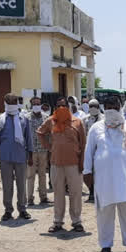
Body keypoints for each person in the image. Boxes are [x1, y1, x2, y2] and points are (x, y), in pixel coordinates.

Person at [83, 96, 126, 252]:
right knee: (104, 213)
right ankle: (105, 245)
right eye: (108, 106)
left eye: (114, 106)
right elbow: (88, 152)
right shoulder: (96, 128)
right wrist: (87, 172)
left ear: (119, 107)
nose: (111, 109)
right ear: (104, 108)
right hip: (104, 180)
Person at [37, 97, 86, 233]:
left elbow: (83, 144)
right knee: (58, 193)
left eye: (64, 105)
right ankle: (58, 221)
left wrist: (82, 162)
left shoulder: (77, 122)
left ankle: (76, 221)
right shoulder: (51, 121)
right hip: (56, 164)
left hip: (74, 164)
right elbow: (40, 133)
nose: (61, 107)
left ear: (69, 106)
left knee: (75, 193)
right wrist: (49, 147)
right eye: (58, 105)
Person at [0, 94, 32, 221]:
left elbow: (28, 137)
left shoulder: (23, 118)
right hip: (5, 156)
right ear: (5, 103)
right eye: (9, 102)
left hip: (21, 156)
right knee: (7, 185)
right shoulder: (1, 119)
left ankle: (22, 209)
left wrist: (30, 154)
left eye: (14, 102)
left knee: (22, 184)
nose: (12, 104)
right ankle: (8, 210)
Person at [25, 96, 50, 206]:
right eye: (34, 104)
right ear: (31, 105)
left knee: (43, 174)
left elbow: (49, 134)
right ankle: (30, 198)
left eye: (38, 104)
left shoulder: (46, 117)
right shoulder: (26, 118)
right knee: (30, 175)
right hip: (31, 151)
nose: (36, 106)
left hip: (43, 150)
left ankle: (43, 197)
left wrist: (49, 150)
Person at [82, 99, 104, 202]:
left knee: (99, 171)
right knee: (88, 170)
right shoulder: (85, 119)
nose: (93, 108)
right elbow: (83, 133)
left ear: (98, 107)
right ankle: (91, 191)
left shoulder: (103, 118)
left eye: (95, 106)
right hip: (89, 148)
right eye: (91, 106)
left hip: (100, 148)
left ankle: (100, 192)